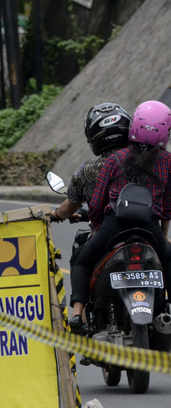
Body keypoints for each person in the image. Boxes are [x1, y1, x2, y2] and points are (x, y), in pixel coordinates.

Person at [69, 100, 171, 331]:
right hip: (149, 228)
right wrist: (162, 237)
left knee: (83, 260)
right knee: (168, 260)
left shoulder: (116, 159)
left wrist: (96, 226)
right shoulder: (168, 162)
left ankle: (77, 314)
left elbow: (96, 205)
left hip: (114, 225)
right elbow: (166, 207)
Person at [51, 103, 132, 223]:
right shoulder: (147, 162)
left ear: (93, 136)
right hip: (147, 232)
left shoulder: (86, 171)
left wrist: (55, 214)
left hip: (106, 234)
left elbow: (68, 209)